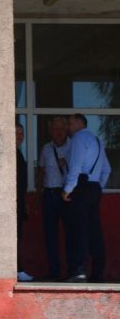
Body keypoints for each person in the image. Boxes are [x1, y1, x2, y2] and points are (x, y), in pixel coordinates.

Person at [62, 113, 111, 283]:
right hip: (94, 187)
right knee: (94, 231)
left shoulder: (78, 139)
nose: (68, 127)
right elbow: (107, 169)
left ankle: (79, 271)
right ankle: (97, 272)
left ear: (79, 123)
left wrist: (67, 189)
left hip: (81, 187)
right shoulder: (97, 140)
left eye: (69, 123)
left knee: (79, 230)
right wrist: (97, 186)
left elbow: (75, 166)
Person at [37, 116, 70, 281]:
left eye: (61, 129)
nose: (58, 132)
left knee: (71, 234)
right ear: (50, 131)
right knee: (50, 236)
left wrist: (67, 163)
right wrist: (38, 194)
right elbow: (41, 171)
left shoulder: (74, 146)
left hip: (68, 196)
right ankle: (54, 272)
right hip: (49, 195)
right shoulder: (46, 148)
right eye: (55, 129)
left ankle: (73, 272)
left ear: (67, 129)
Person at [16, 123, 34, 281]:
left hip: (19, 202)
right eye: (16, 133)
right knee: (13, 237)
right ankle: (17, 269)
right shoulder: (11, 154)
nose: (20, 136)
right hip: (11, 203)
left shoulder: (19, 154)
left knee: (18, 236)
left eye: (22, 133)